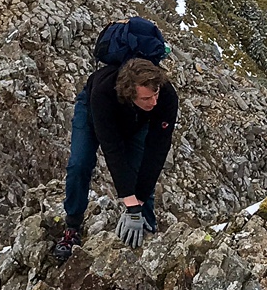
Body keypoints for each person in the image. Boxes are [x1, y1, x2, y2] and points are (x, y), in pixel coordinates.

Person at [54, 51, 178, 262]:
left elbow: (157, 151)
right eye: (147, 97)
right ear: (130, 93)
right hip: (94, 115)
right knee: (79, 164)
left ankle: (146, 227)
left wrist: (137, 204)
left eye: (156, 93)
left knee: (139, 171)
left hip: (137, 120)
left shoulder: (166, 97)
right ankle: (72, 226)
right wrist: (130, 204)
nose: (155, 101)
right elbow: (113, 151)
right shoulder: (103, 94)